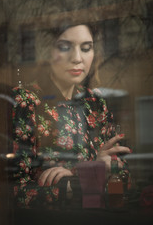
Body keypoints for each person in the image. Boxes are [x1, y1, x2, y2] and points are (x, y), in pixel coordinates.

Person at [12, 20, 131, 208]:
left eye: (86, 48)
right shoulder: (24, 102)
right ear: (49, 53)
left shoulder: (95, 103)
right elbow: (9, 191)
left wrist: (82, 174)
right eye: (65, 47)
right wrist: (77, 182)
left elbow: (123, 176)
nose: (77, 58)